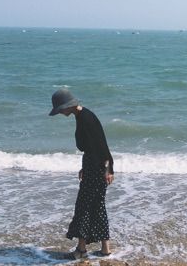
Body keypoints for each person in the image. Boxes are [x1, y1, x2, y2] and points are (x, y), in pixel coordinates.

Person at [49, 88, 115, 260]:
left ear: (67, 106)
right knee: (96, 207)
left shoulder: (86, 118)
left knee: (84, 207)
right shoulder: (82, 116)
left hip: (97, 168)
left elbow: (102, 145)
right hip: (92, 165)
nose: (60, 112)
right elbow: (93, 147)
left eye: (60, 109)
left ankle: (81, 249)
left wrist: (109, 169)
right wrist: (85, 167)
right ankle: (105, 249)